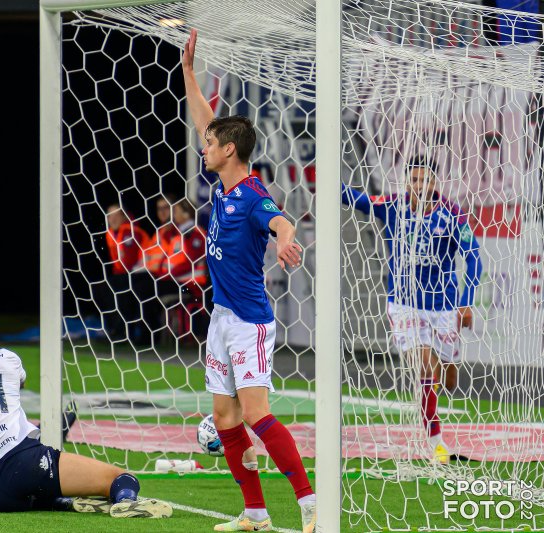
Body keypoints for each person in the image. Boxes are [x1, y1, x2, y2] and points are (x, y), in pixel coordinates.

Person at [182, 30, 316, 533]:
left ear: (231, 149)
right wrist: (191, 75)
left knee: (257, 415)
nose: (205, 146)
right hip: (220, 318)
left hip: (248, 322)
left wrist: (284, 238)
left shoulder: (253, 194)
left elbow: (277, 218)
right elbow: (203, 120)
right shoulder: (223, 184)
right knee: (224, 420)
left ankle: (310, 503)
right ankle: (255, 514)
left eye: (212, 143)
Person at [0, 309, 172, 519]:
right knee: (121, 478)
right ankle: (126, 501)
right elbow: (15, 385)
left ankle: (57, 501)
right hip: (26, 462)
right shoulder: (8, 359)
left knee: (29, 495)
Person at [341, 157, 483, 464]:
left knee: (447, 380)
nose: (419, 186)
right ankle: (436, 444)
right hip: (404, 303)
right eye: (414, 180)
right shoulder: (393, 206)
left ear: (435, 184)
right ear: (407, 182)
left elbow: (474, 257)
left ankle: (443, 377)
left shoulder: (453, 215)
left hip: (443, 306)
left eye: (426, 180)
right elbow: (357, 199)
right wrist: (328, 180)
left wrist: (465, 300)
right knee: (425, 368)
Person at [153, 199, 209, 340]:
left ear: (186, 213)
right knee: (144, 285)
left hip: (191, 285)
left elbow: (191, 262)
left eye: (176, 211)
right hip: (175, 281)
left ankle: (150, 336)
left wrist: (166, 275)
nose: (172, 214)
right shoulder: (178, 235)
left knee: (147, 289)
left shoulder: (196, 233)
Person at [102, 204, 154, 342]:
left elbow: (128, 262)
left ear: (124, 217)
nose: (111, 218)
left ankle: (124, 332)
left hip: (144, 273)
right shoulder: (112, 233)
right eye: (109, 215)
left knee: (118, 286)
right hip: (128, 274)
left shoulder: (130, 232)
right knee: (110, 286)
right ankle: (117, 330)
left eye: (115, 215)